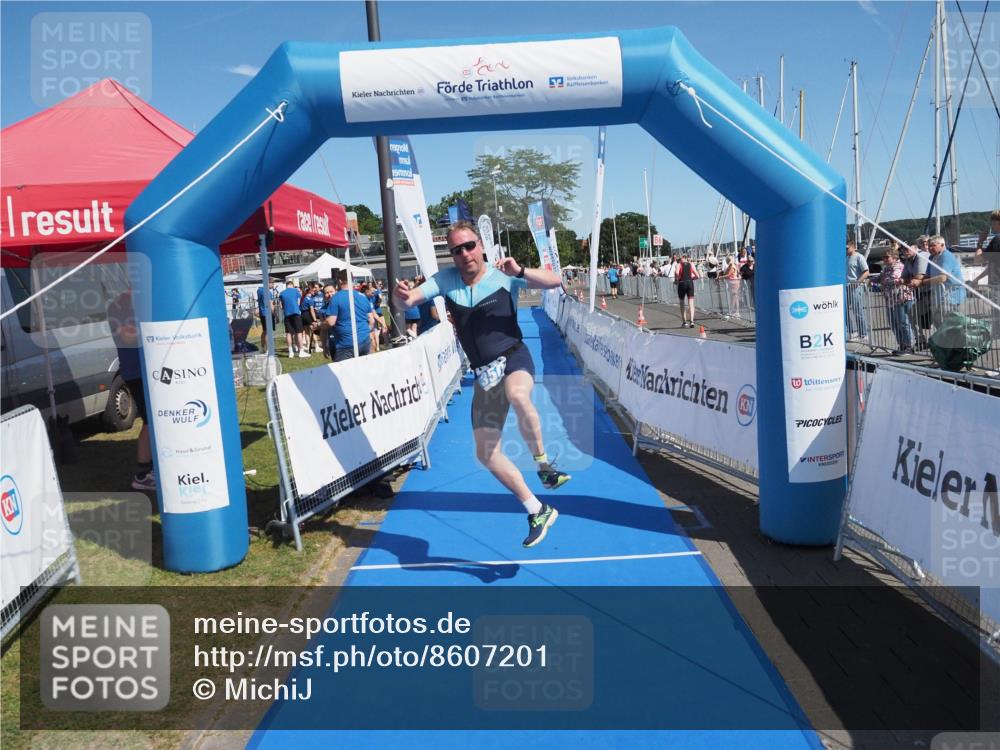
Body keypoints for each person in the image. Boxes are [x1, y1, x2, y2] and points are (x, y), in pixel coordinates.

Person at [393, 220, 569, 548]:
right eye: (456, 250)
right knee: (487, 453)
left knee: (518, 394)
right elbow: (409, 302)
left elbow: (555, 281)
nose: (464, 254)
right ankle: (537, 509)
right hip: (484, 372)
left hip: (514, 357)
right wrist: (400, 297)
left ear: (480, 246)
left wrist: (522, 271)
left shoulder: (505, 273)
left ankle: (544, 464)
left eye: (469, 246)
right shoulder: (446, 279)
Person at [106, 288, 154, 491]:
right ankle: (143, 474)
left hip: (150, 370)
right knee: (151, 421)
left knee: (152, 421)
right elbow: (126, 336)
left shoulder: (140, 300)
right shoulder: (121, 304)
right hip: (137, 371)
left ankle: (148, 470)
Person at [323, 271, 375, 361]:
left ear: (339, 281)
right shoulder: (362, 296)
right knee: (366, 372)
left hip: (345, 345)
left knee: (343, 374)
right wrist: (363, 332)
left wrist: (320, 325)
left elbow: (330, 322)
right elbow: (372, 321)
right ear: (352, 280)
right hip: (365, 342)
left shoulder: (336, 297)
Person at [920, 234, 966, 328]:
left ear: (942, 245)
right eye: (929, 246)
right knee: (939, 324)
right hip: (939, 297)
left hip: (952, 297)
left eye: (933, 245)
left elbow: (942, 278)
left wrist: (922, 282)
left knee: (952, 326)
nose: (930, 248)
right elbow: (927, 275)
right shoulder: (931, 258)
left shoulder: (946, 256)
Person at [877, 246, 914, 354]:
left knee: (903, 323)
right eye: (883, 257)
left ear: (894, 257)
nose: (884, 259)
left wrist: (883, 280)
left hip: (900, 299)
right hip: (890, 300)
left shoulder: (898, 266)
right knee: (893, 324)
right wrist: (871, 280)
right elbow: (881, 278)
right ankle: (901, 345)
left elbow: (894, 278)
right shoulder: (886, 268)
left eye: (887, 257)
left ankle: (908, 346)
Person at [972, 210, 1000, 334]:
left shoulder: (997, 240)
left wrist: (980, 241)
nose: (991, 226)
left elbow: (977, 260)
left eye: (993, 223)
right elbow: (994, 264)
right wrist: (978, 277)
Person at [900, 241, 931, 348]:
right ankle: (921, 340)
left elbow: (919, 277)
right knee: (912, 315)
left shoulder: (921, 257)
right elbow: (902, 278)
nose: (904, 251)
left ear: (915, 248)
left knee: (936, 319)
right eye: (903, 249)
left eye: (907, 248)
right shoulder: (908, 260)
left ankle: (938, 344)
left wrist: (908, 280)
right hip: (921, 293)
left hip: (932, 292)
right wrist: (909, 280)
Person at [845, 240, 870, 340]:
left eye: (847, 248)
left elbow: (866, 272)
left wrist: (858, 282)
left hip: (856, 287)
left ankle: (863, 333)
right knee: (845, 311)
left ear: (853, 247)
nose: (845, 250)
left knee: (857, 310)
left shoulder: (859, 257)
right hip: (847, 286)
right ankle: (852, 332)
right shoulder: (846, 258)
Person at [279, 280, 309, 358]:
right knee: (299, 333)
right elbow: (298, 303)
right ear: (292, 285)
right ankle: (301, 351)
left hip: (287, 315)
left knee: (288, 333)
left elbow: (281, 306)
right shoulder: (296, 292)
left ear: (286, 286)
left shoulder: (281, 293)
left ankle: (290, 352)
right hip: (296, 313)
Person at [674, 254, 700, 328]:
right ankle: (692, 321)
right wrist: (692, 278)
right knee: (691, 303)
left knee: (682, 303)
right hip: (690, 283)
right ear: (686, 258)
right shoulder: (691, 264)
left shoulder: (678, 265)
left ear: (681, 259)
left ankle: (684, 322)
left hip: (682, 283)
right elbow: (697, 276)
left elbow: (676, 273)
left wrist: (676, 280)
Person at [256, 279, 276, 353]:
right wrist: (275, 315)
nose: (273, 286)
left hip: (262, 313)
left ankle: (262, 348)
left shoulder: (259, 290)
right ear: (269, 283)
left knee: (264, 331)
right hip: (267, 314)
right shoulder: (268, 292)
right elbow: (271, 305)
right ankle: (268, 349)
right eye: (272, 284)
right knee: (268, 332)